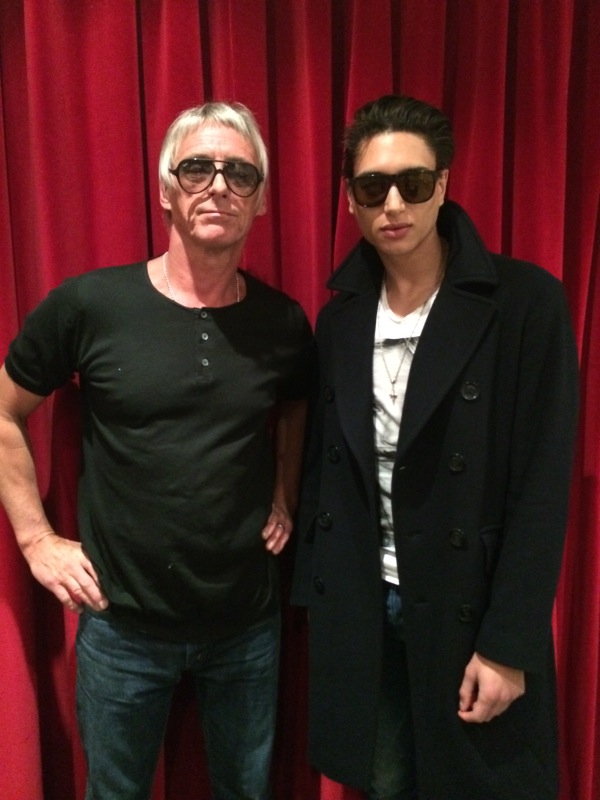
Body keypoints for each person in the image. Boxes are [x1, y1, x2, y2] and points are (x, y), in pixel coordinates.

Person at [0, 101, 313, 800]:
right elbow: (3, 411)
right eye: (197, 168)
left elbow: (296, 402)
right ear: (166, 189)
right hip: (122, 627)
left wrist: (284, 490)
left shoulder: (283, 322)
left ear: (260, 200)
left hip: (247, 625)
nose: (218, 186)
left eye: (239, 173)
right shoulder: (90, 305)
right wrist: (35, 540)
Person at [292, 95, 579, 800]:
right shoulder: (340, 321)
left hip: (467, 608)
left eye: (413, 183)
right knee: (386, 783)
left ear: (443, 185)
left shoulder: (523, 303)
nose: (394, 204)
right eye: (373, 188)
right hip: (366, 606)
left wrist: (509, 643)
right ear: (351, 200)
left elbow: (543, 487)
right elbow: (328, 470)